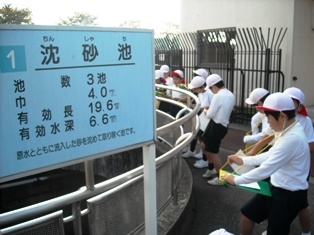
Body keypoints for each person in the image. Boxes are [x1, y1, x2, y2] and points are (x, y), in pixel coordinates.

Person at [221, 92, 310, 235]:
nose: (267, 121)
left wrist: (236, 180)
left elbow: (266, 169)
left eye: (268, 116)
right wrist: (243, 160)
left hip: (289, 194)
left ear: (282, 116)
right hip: (276, 186)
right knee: (247, 215)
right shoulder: (288, 129)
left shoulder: (292, 138)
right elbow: (271, 154)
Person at [201, 74, 235, 185]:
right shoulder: (230, 94)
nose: (211, 91)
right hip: (221, 126)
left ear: (214, 86)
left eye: (210, 88)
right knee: (204, 146)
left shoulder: (218, 96)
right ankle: (211, 169)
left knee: (212, 152)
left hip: (216, 126)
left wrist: (206, 110)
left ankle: (222, 178)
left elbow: (210, 114)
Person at [182, 75, 214, 167]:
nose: (194, 91)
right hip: (201, 116)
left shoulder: (210, 93)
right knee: (197, 136)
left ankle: (205, 160)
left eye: (195, 89)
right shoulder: (201, 92)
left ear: (202, 87)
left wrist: (198, 108)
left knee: (204, 141)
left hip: (207, 119)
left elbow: (211, 107)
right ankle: (193, 152)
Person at [243, 88, 270, 152]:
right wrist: (255, 134)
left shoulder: (271, 114)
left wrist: (249, 138)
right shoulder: (265, 111)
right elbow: (255, 118)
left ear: (260, 103)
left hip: (270, 144)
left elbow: (266, 134)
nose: (255, 108)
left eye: (254, 105)